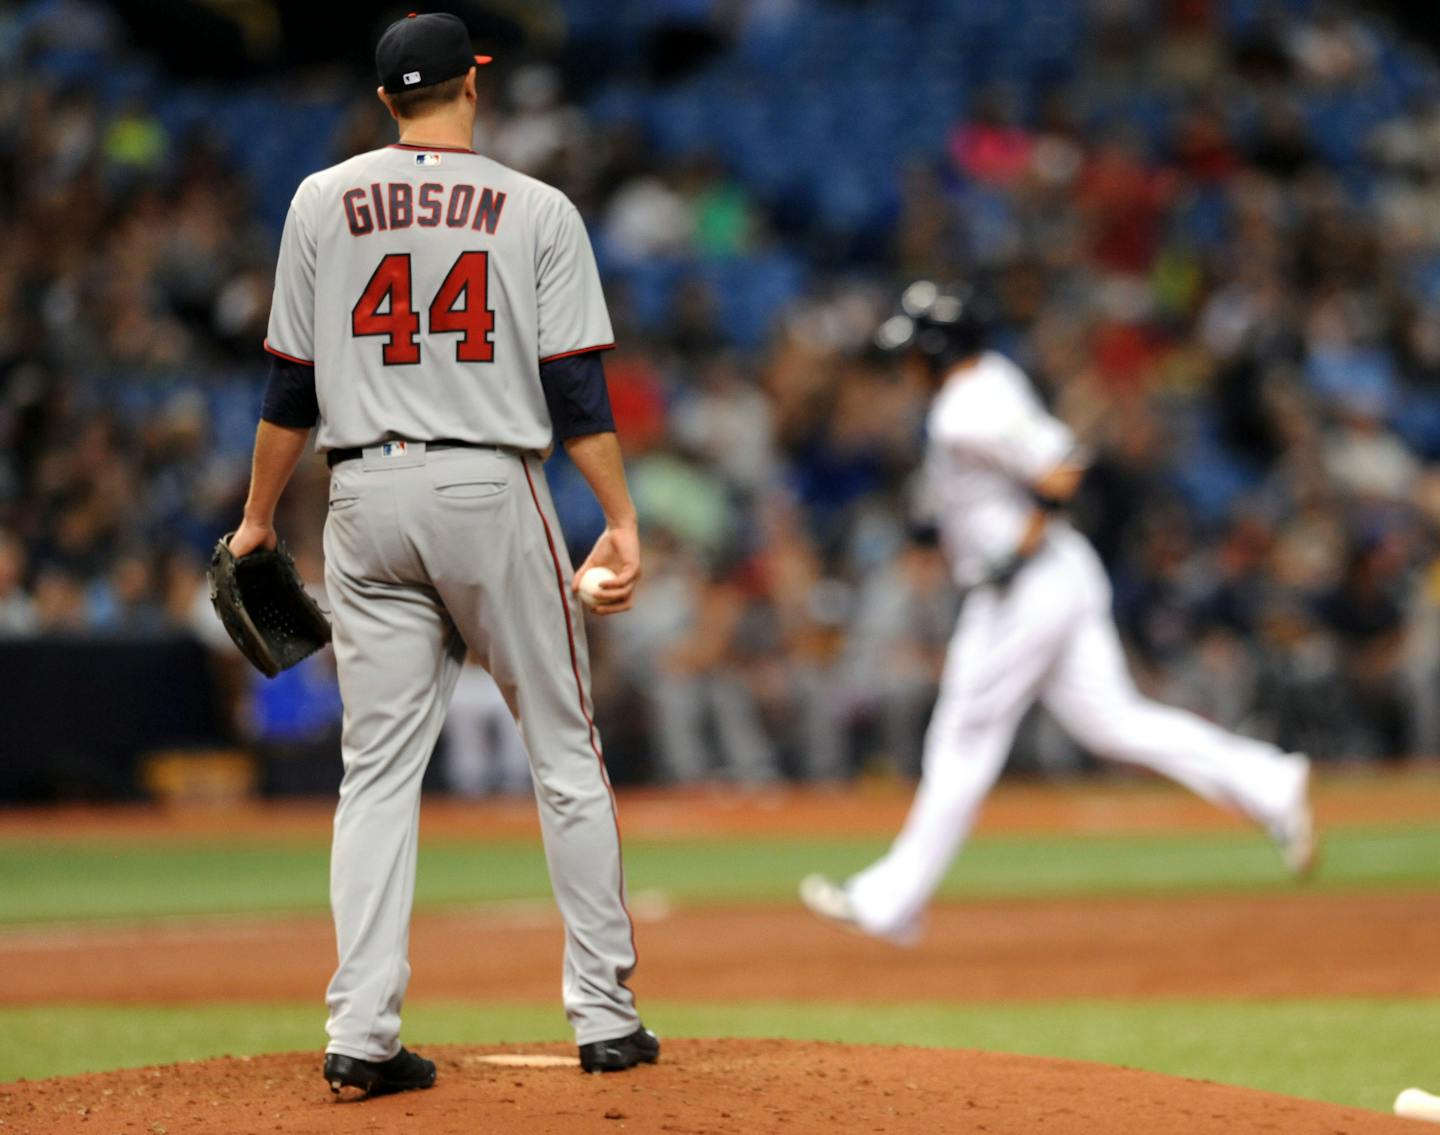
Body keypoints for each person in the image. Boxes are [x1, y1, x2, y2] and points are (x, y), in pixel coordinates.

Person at [227, 12, 656, 1097]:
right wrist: (620, 516)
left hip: (360, 491)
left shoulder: (321, 200)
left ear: (383, 100)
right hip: (485, 481)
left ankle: (361, 1033)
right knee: (564, 749)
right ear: (474, 81)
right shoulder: (538, 206)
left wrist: (257, 518)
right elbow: (573, 387)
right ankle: (605, 1017)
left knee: (373, 775)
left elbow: (290, 384)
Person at [800, 281, 1317, 946]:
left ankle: (889, 900)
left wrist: (1018, 547)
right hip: (1058, 576)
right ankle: (1270, 780)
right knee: (1112, 722)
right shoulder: (989, 378)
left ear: (935, 348)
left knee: (963, 737)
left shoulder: (965, 408)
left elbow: (1064, 466)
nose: (906, 364)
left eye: (913, 350)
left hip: (1028, 589)